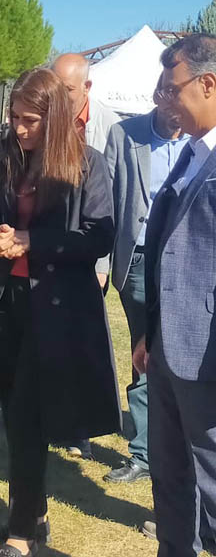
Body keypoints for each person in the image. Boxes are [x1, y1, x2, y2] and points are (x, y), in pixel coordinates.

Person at [0, 67, 120, 557]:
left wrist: (34, 241)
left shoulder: (87, 165)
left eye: (29, 120)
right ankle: (33, 514)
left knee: (31, 414)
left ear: (52, 119)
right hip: (8, 301)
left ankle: (21, 534)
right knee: (14, 412)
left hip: (57, 308)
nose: (18, 128)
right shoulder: (9, 157)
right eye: (13, 117)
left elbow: (99, 236)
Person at [135, 33, 216, 557]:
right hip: (167, 348)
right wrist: (148, 334)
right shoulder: (190, 153)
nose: (165, 102)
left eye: (172, 90)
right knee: (168, 478)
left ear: (208, 84)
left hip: (207, 355)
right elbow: (169, 251)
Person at [102, 77, 188, 483]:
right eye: (172, 103)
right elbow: (107, 203)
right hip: (137, 260)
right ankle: (143, 453)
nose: (180, 118)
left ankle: (183, 447)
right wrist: (102, 263)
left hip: (187, 265)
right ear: (160, 96)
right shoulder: (125, 135)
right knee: (145, 352)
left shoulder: (203, 141)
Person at [51, 52, 121, 457]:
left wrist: (101, 265)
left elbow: (106, 203)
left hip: (87, 258)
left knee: (82, 342)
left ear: (87, 88)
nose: (60, 97)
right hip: (51, 251)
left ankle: (80, 431)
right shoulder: (47, 120)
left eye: (69, 90)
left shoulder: (109, 127)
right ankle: (52, 419)